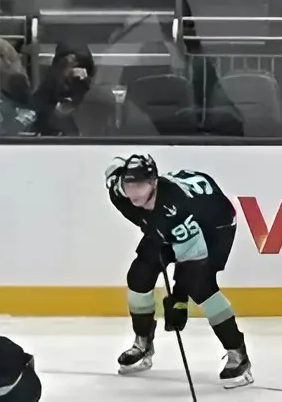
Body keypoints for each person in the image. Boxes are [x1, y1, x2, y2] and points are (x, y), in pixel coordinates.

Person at [105, 154, 250, 387]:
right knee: (139, 275)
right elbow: (113, 170)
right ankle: (143, 343)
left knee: (201, 286)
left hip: (214, 225)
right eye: (129, 185)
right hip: (164, 224)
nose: (134, 194)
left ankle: (238, 354)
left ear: (153, 182)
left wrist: (179, 299)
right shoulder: (118, 192)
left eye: (140, 185)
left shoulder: (175, 206)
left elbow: (192, 259)